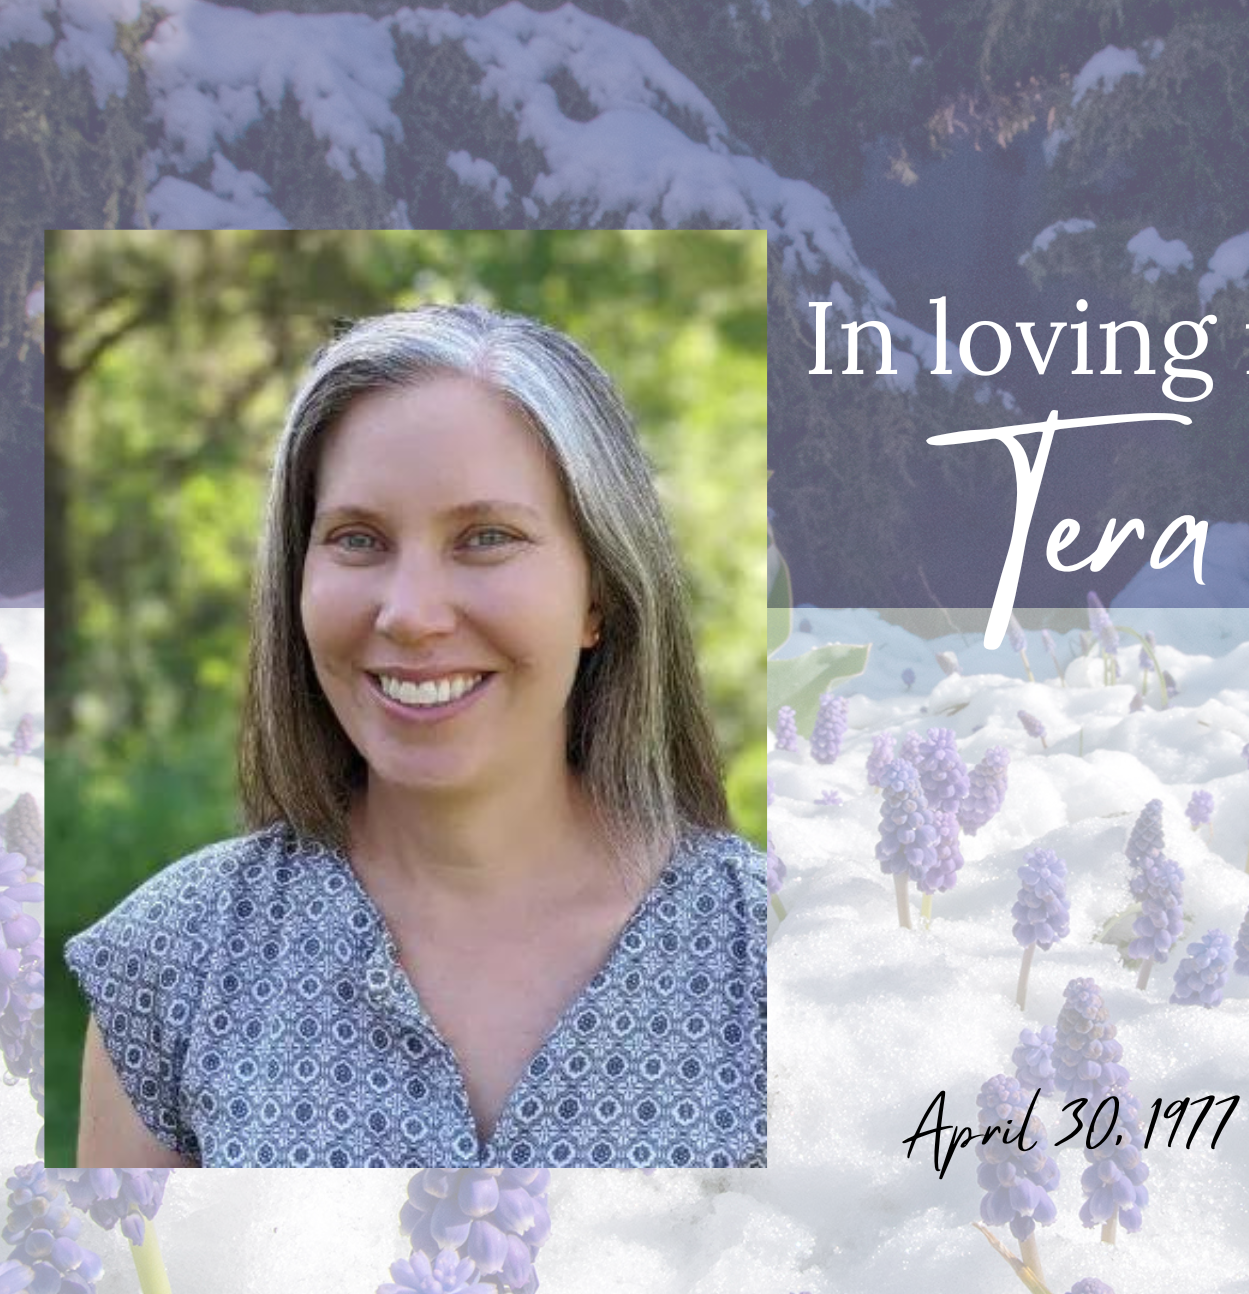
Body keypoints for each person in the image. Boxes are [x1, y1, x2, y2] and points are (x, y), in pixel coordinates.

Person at [66, 304, 766, 1169]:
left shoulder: (784, 960)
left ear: (600, 593)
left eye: (486, 538)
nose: (410, 614)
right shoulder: (173, 963)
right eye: (358, 540)